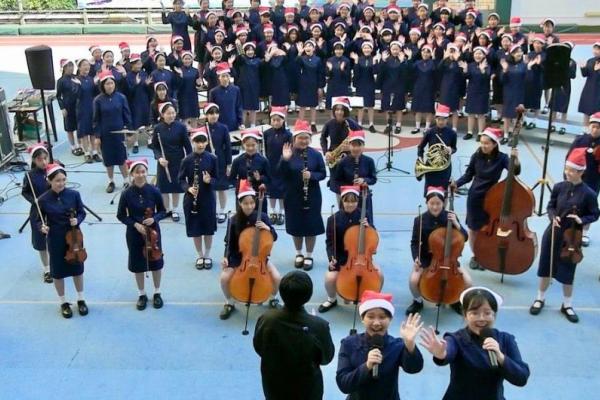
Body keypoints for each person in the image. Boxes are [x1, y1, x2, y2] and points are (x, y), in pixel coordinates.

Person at [420, 286, 530, 399]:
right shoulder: (456, 339)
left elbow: (521, 377)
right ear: (465, 315)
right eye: (474, 313)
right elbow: (449, 350)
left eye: (487, 313)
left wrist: (501, 357)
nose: (481, 318)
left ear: (494, 315)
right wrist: (442, 353)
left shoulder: (505, 339)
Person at [529, 148, 600, 323]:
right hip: (554, 232)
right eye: (566, 169)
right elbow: (551, 206)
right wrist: (553, 217)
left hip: (572, 237)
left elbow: (595, 214)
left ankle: (567, 304)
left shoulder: (589, 194)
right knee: (546, 267)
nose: (567, 172)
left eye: (571, 170)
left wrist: (581, 219)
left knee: (568, 271)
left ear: (581, 172)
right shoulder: (559, 187)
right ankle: (540, 298)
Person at [253, 270, 335, 400]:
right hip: (307, 390)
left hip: (274, 387)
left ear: (281, 292)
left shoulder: (266, 319)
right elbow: (326, 358)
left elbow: (259, 347)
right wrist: (313, 321)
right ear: (309, 295)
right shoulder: (319, 326)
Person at [450, 128, 520, 271]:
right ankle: (476, 256)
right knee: (474, 229)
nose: (483, 146)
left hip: (493, 198)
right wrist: (456, 183)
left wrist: (515, 159)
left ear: (494, 144)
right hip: (475, 197)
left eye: (487, 143)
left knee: (489, 229)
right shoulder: (476, 156)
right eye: (481, 143)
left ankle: (485, 255)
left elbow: (515, 172)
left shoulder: (502, 158)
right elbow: (468, 175)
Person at [336, 290, 424, 399]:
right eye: (370, 317)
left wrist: (410, 344)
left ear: (390, 319)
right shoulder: (349, 343)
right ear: (362, 318)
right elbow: (343, 384)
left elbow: (413, 368)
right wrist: (367, 366)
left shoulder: (397, 345)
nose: (376, 323)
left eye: (382, 317)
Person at [219, 180, 281, 319]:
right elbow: (228, 243)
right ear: (240, 204)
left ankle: (272, 298)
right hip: (238, 258)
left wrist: (268, 229)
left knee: (277, 278)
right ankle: (229, 302)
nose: (249, 206)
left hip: (260, 258)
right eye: (246, 203)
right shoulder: (234, 220)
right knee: (224, 278)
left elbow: (274, 237)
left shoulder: (262, 217)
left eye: (252, 203)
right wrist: (225, 257)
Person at [32, 164, 88, 319]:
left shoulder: (74, 194)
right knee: (58, 273)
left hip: (74, 237)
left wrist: (78, 220)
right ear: (49, 181)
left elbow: (82, 212)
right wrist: (42, 227)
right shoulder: (42, 200)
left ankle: (81, 299)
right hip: (55, 238)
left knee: (77, 269)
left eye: (63, 180)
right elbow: (37, 220)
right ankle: (63, 302)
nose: (61, 183)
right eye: (57, 180)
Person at [406, 186, 472, 315]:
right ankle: (418, 301)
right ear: (427, 203)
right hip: (427, 259)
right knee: (413, 281)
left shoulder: (451, 217)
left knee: (468, 282)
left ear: (443, 203)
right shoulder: (419, 220)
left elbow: (464, 238)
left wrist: (457, 224)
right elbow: (414, 242)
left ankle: (455, 300)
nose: (435, 207)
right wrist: (416, 258)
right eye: (432, 203)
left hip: (450, 259)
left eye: (438, 204)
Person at [318, 186, 381, 313]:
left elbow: (373, 234)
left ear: (358, 201)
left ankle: (372, 298)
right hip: (342, 258)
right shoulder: (333, 219)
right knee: (330, 278)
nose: (350, 204)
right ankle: (332, 299)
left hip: (363, 257)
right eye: (347, 201)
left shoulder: (364, 214)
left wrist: (369, 226)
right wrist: (331, 258)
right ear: (342, 201)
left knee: (380, 275)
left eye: (354, 201)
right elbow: (330, 242)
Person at [116, 159, 167, 310]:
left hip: (153, 233)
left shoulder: (154, 191)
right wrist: (135, 224)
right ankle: (141, 293)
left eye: (143, 171)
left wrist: (154, 218)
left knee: (156, 262)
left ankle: (157, 292)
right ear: (132, 174)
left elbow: (163, 211)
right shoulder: (126, 194)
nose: (141, 175)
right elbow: (121, 215)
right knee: (138, 264)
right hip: (135, 233)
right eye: (137, 172)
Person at [279, 119, 326, 270]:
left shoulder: (316, 155)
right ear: (295, 138)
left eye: (306, 138)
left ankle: (309, 255)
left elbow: (323, 173)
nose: (304, 141)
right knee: (296, 225)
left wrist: (312, 175)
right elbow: (280, 174)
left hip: (312, 196)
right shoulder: (288, 152)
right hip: (293, 196)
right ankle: (298, 253)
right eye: (301, 138)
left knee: (311, 226)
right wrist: (285, 160)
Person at [178, 127, 219, 269]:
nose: (200, 144)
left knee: (208, 229)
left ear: (207, 142)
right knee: (195, 229)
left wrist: (210, 181)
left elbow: (217, 179)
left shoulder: (212, 159)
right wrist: (188, 188)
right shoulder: (187, 160)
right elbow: (181, 179)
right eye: (197, 142)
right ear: (192, 142)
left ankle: (207, 255)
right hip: (192, 199)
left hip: (207, 198)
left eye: (203, 141)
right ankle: (200, 255)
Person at [152, 102, 192, 222]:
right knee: (164, 187)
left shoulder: (181, 127)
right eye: (168, 113)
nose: (171, 115)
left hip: (178, 161)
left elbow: (187, 146)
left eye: (173, 113)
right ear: (162, 114)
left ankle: (174, 210)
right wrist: (159, 158)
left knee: (176, 187)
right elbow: (155, 147)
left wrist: (188, 160)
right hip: (163, 162)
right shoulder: (157, 128)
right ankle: (166, 209)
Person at [93, 71, 131, 193]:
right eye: (107, 84)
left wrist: (128, 131)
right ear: (103, 85)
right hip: (105, 134)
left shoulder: (121, 97)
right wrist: (97, 136)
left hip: (119, 133)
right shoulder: (98, 100)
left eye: (112, 83)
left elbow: (127, 115)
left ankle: (126, 180)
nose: (110, 86)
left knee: (121, 158)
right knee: (108, 159)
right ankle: (111, 181)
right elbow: (96, 120)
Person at [565, 112, 600, 245]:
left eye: (598, 128)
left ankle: (584, 232)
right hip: (576, 178)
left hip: (593, 180)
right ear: (589, 126)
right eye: (593, 127)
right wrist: (567, 175)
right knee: (570, 202)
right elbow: (569, 157)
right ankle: (567, 228)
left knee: (588, 206)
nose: (595, 130)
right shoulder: (580, 140)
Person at [22, 144, 51, 283]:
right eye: (40, 159)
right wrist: (34, 200)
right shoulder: (29, 175)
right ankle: (47, 269)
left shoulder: (52, 171)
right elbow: (25, 192)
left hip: (53, 210)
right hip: (38, 212)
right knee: (41, 243)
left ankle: (58, 264)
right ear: (34, 160)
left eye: (45, 158)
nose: (44, 162)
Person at [321, 97, 361, 194]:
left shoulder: (352, 124)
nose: (339, 112)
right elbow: (323, 138)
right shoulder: (329, 124)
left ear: (346, 111)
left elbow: (361, 141)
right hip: (333, 156)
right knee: (336, 185)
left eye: (342, 110)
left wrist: (351, 148)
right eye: (337, 109)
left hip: (349, 157)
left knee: (348, 184)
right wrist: (326, 152)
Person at [333, 130, 377, 218]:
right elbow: (337, 181)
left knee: (365, 220)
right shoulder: (343, 162)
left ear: (363, 146)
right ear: (349, 146)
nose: (356, 148)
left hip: (363, 196)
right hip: (348, 199)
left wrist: (364, 180)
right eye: (353, 145)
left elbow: (373, 179)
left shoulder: (369, 161)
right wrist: (348, 189)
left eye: (359, 145)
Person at [416, 105, 457, 195]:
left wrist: (451, 150)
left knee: (444, 192)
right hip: (431, 166)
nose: (441, 122)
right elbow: (420, 147)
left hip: (445, 167)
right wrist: (420, 159)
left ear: (447, 119)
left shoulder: (452, 133)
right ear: (435, 119)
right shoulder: (430, 132)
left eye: (443, 119)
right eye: (439, 119)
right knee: (429, 192)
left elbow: (454, 148)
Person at [203, 103, 232, 223]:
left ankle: (223, 210)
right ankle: (212, 210)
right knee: (209, 188)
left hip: (221, 160)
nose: (214, 116)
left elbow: (228, 147)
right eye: (211, 113)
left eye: (216, 113)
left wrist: (229, 164)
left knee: (222, 187)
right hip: (206, 161)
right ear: (206, 115)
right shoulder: (203, 129)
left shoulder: (223, 128)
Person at [229, 128, 271, 212]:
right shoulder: (237, 160)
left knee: (259, 217)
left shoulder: (263, 160)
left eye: (253, 145)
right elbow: (231, 179)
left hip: (258, 195)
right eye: (247, 145)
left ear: (257, 144)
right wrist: (240, 185)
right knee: (243, 218)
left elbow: (269, 178)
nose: (250, 148)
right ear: (243, 144)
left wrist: (260, 178)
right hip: (242, 195)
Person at [263, 106, 292, 225]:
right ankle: (273, 211)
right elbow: (264, 149)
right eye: (273, 120)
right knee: (272, 191)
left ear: (283, 120)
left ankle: (281, 212)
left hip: (282, 166)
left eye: (278, 120)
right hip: (270, 165)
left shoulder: (288, 135)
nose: (275, 122)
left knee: (281, 191)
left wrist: (285, 161)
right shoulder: (266, 133)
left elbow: (289, 151)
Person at [460, 46, 491, 140]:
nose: (478, 55)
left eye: (480, 54)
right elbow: (466, 76)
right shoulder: (470, 65)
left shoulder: (487, 65)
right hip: (472, 91)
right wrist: (465, 70)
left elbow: (487, 77)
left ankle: (480, 132)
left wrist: (482, 70)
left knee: (481, 114)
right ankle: (469, 132)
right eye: (476, 54)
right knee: (471, 113)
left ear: (484, 55)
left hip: (483, 92)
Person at [74, 58, 101, 163]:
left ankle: (94, 152)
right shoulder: (76, 80)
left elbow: (96, 93)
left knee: (93, 131)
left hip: (92, 107)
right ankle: (87, 153)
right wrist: (79, 86)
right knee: (84, 132)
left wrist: (97, 84)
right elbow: (77, 95)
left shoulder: (91, 79)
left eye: (88, 65)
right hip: (82, 108)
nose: (87, 67)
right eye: (84, 65)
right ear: (79, 67)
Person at [123, 53, 150, 154]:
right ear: (132, 65)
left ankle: (149, 140)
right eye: (137, 64)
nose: (139, 66)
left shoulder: (144, 74)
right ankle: (136, 143)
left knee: (147, 121)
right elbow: (128, 92)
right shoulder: (128, 76)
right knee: (136, 123)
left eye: (140, 63)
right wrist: (136, 84)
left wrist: (147, 85)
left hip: (145, 101)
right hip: (134, 102)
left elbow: (148, 90)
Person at [56, 59, 82, 156]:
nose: (71, 68)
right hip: (68, 106)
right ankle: (73, 146)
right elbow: (58, 96)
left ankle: (80, 145)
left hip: (78, 105)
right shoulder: (61, 81)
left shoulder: (76, 78)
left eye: (72, 66)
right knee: (69, 128)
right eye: (68, 66)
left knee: (79, 126)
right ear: (64, 68)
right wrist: (62, 108)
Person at [209, 62, 244, 132]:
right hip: (220, 124)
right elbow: (212, 110)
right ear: (219, 77)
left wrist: (241, 123)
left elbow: (239, 107)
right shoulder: (214, 92)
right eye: (223, 76)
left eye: (227, 76)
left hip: (233, 123)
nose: (225, 78)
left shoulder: (236, 89)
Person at [577, 42, 600, 130]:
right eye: (594, 49)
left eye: (598, 49)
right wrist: (583, 68)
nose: (595, 51)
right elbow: (585, 74)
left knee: (596, 112)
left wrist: (597, 71)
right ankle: (585, 130)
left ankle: (595, 132)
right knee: (586, 111)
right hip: (588, 89)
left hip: (598, 91)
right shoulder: (590, 60)